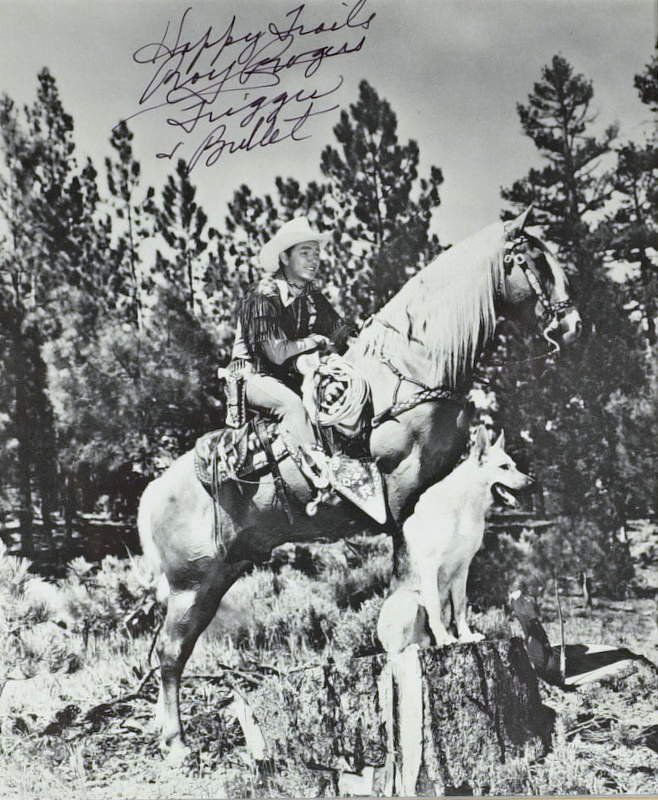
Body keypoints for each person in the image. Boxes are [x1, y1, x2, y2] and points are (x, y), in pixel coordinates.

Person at [229, 216, 353, 484]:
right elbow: (276, 352)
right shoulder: (260, 296)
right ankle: (324, 482)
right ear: (285, 257)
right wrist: (315, 341)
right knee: (292, 406)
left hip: (290, 377)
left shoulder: (310, 296)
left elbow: (341, 332)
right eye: (305, 253)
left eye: (316, 253)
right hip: (252, 377)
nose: (314, 260)